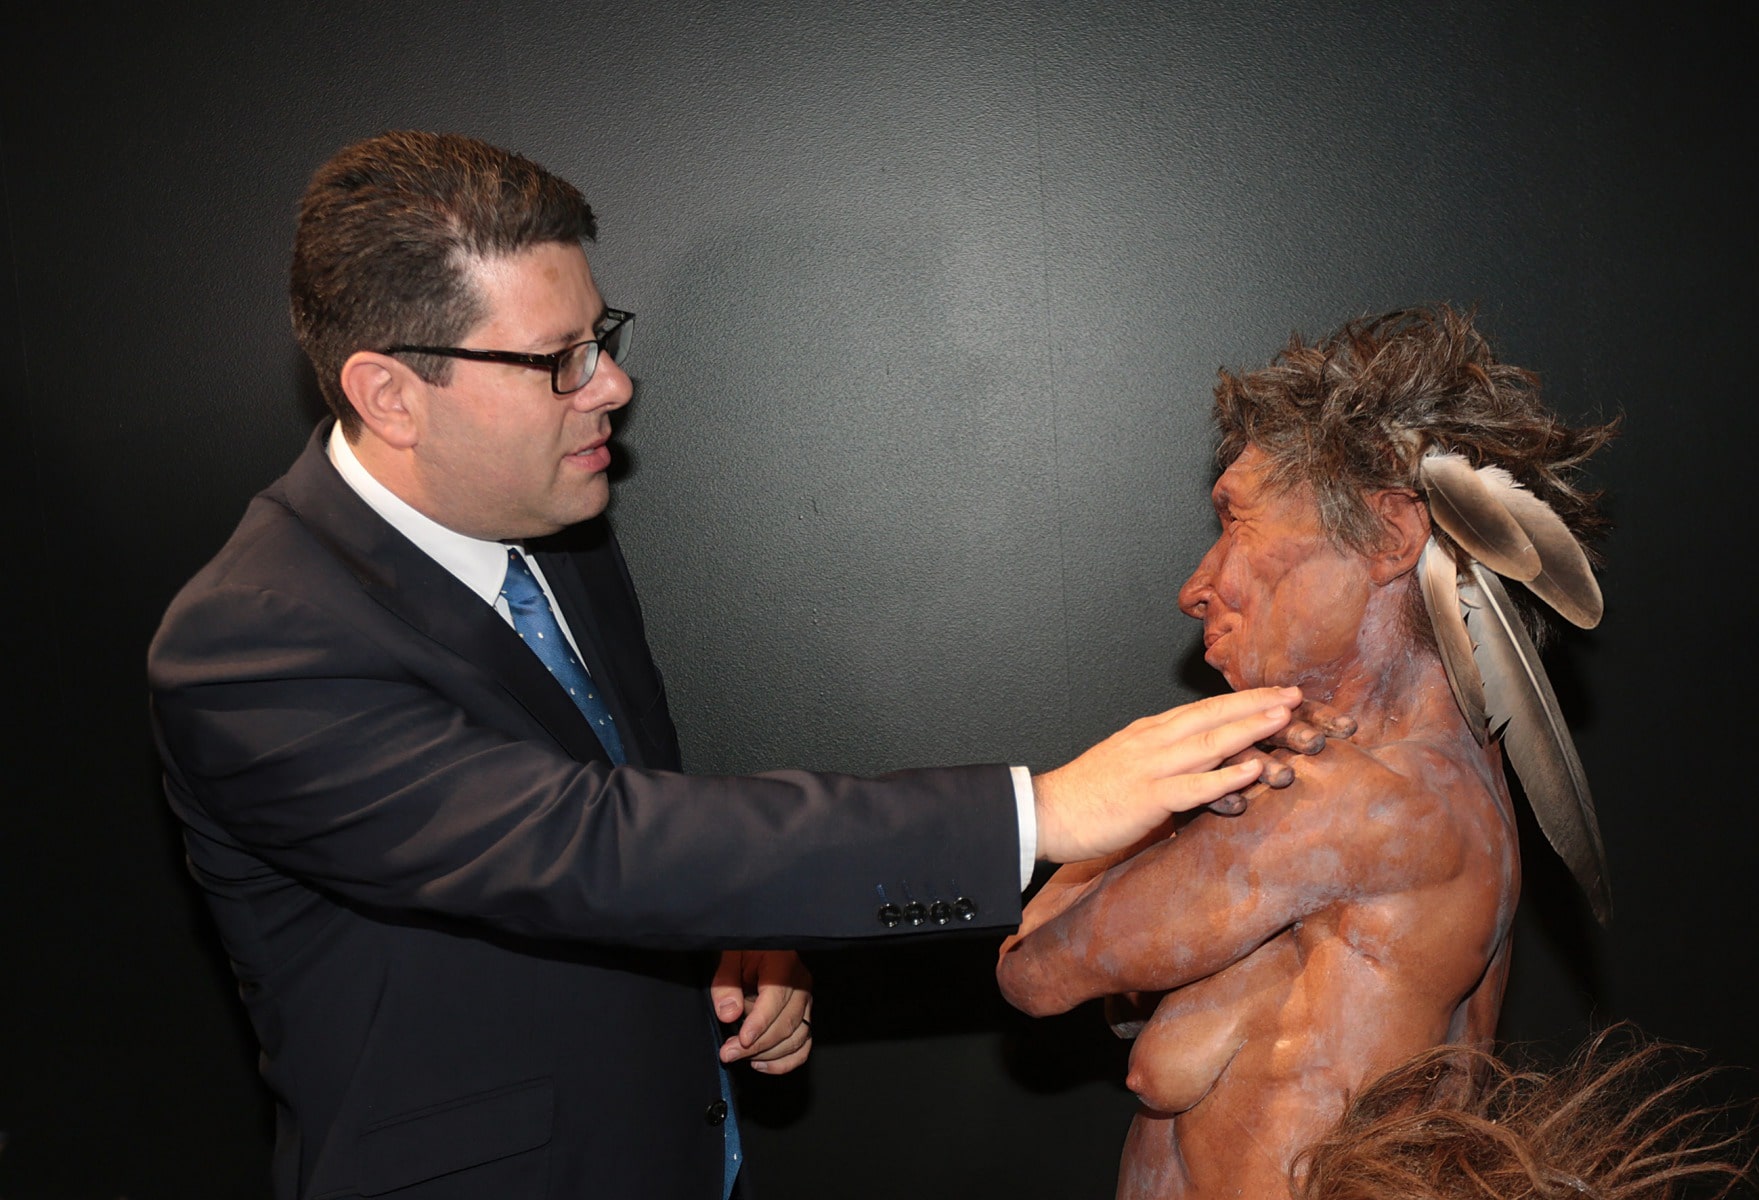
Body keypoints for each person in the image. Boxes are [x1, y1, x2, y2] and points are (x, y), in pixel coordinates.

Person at [147, 130, 1316, 1200]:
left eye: (602, 337)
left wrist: (731, 932)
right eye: (559, 359)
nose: (612, 386)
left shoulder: (555, 528)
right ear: (389, 394)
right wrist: (1040, 812)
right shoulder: (252, 648)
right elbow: (587, 845)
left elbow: (631, 838)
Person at [995, 305, 1617, 1199]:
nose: (1196, 587)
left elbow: (1031, 970)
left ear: (1388, 536)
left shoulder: (1346, 802)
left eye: (1236, 521)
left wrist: (1135, 803)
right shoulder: (1429, 790)